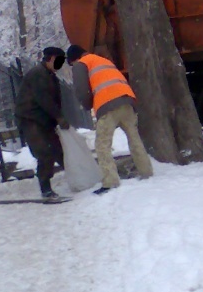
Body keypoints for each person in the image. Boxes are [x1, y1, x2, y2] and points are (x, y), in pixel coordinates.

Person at [66, 45, 153, 194]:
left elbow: (82, 89)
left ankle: (110, 182)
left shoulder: (82, 64)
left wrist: (87, 105)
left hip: (107, 104)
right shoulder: (102, 60)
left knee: (102, 145)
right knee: (134, 139)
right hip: (127, 101)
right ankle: (146, 172)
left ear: (74, 59)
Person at [15, 47, 69, 199]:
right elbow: (44, 99)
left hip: (43, 120)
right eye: (58, 61)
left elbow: (54, 100)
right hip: (30, 119)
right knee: (45, 152)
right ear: (50, 59)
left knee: (59, 150)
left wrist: (57, 117)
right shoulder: (38, 74)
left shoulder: (49, 75)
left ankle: (78, 178)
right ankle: (46, 189)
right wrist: (59, 117)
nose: (60, 65)